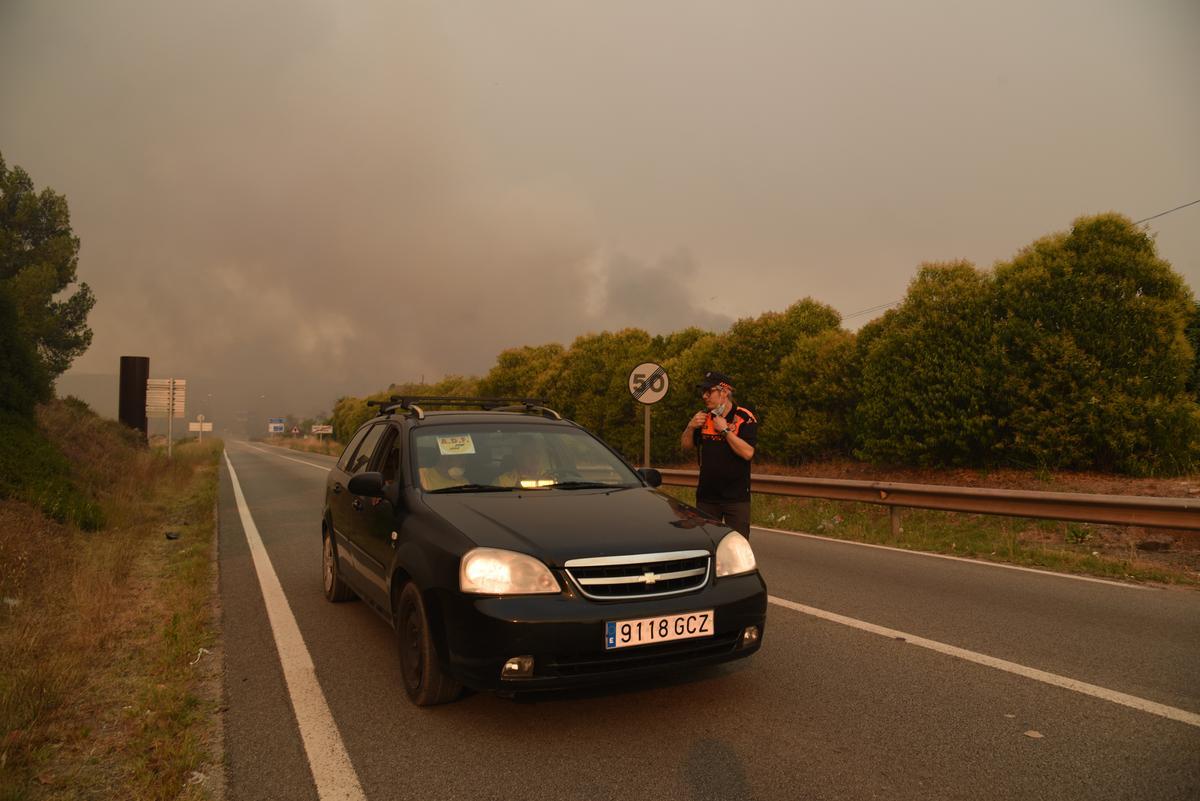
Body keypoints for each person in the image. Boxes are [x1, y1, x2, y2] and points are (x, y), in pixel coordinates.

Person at [681, 370, 758, 538]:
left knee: (737, 547)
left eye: (709, 392)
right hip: (707, 497)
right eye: (703, 392)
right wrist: (690, 427)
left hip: (736, 498)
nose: (704, 396)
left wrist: (724, 431)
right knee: (707, 544)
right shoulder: (703, 417)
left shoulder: (744, 417)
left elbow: (748, 453)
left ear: (725, 392)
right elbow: (686, 446)